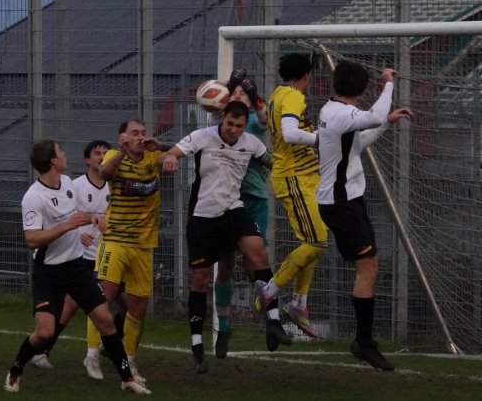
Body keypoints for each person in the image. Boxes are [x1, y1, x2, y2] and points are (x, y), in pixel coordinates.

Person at [5, 139, 149, 395]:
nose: (64, 153)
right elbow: (31, 240)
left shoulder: (69, 184)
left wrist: (92, 218)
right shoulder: (33, 197)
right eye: (60, 150)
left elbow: (78, 213)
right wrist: (67, 226)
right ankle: (16, 369)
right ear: (52, 160)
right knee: (44, 333)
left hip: (76, 268)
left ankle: (127, 378)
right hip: (49, 272)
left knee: (105, 319)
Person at [159, 100, 288, 372]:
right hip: (203, 216)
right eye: (230, 124)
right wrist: (169, 157)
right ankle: (197, 345)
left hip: (233, 210)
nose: (234, 130)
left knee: (258, 255)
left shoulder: (251, 142)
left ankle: (274, 321)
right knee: (200, 278)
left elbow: (272, 162)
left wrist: (293, 169)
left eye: (239, 126)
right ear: (222, 118)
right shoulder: (201, 136)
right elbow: (171, 152)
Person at [310, 61, 412, 371]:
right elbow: (374, 115)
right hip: (340, 204)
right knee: (367, 267)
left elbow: (358, 143)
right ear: (363, 87)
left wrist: (387, 123)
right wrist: (388, 85)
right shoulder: (341, 113)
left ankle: (363, 341)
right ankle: (364, 343)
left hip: (348, 200)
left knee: (368, 266)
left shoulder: (333, 111)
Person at [25, 140, 118, 381]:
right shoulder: (73, 184)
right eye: (97, 154)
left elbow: (93, 217)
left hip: (107, 254)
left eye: (106, 154)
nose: (102, 157)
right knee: (71, 308)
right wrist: (79, 233)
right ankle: (49, 351)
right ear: (87, 160)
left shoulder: (113, 187)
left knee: (128, 303)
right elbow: (66, 218)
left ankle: (106, 348)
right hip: (81, 257)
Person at [257, 54, 331, 339]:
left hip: (305, 177)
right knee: (317, 241)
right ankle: (270, 291)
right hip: (294, 178)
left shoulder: (278, 94)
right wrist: (317, 139)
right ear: (306, 76)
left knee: (314, 239)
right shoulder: (293, 97)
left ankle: (299, 303)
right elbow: (289, 134)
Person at [94, 119, 171, 382]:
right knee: (102, 298)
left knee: (138, 307)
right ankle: (92, 355)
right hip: (115, 239)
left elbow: (178, 154)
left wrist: (164, 149)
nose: (141, 137)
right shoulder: (116, 156)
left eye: (143, 133)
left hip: (143, 244)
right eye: (135, 133)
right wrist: (124, 153)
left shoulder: (152, 154)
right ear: (122, 139)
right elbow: (104, 174)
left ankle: (129, 363)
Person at [212, 72, 276, 358]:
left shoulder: (251, 121)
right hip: (226, 201)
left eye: (243, 93)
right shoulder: (222, 125)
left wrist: (256, 96)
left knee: (255, 264)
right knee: (225, 264)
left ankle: (271, 319)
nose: (238, 95)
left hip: (253, 199)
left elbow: (264, 118)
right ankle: (224, 326)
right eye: (234, 92)